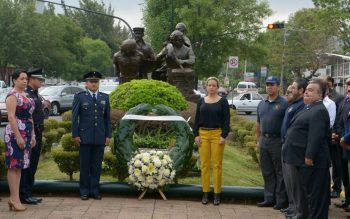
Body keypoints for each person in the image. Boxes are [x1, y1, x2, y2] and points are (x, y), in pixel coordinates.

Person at [284, 78, 331, 219]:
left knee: (315, 200)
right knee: (306, 197)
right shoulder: (309, 107)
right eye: (306, 90)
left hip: (312, 163)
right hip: (299, 159)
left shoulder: (319, 110)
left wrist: (309, 156)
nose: (306, 93)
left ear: (320, 95)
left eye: (311, 91)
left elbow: (316, 136)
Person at [72, 71, 112, 200]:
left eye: (96, 82)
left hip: (100, 136)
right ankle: (84, 191)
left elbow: (107, 119)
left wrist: (108, 135)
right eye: (91, 82)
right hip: (85, 136)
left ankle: (95, 190)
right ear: (86, 84)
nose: (94, 84)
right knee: (84, 165)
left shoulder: (104, 97)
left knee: (96, 165)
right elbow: (74, 118)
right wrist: (75, 135)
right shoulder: (80, 97)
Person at [193, 77, 230, 205]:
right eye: (209, 85)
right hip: (203, 134)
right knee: (204, 165)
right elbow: (196, 119)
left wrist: (223, 136)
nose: (212, 87)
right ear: (206, 87)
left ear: (218, 87)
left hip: (217, 135)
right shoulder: (201, 101)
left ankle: (217, 194)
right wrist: (196, 135)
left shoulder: (223, 102)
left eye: (214, 85)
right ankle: (205, 193)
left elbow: (226, 120)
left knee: (217, 165)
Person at [5, 70, 35, 211]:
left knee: (20, 167)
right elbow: (11, 117)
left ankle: (14, 199)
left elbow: (30, 117)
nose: (25, 81)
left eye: (26, 78)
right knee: (13, 165)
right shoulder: (12, 95)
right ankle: (14, 199)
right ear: (14, 80)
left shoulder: (27, 95)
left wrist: (33, 135)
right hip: (15, 134)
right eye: (21, 78)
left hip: (27, 133)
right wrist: (18, 136)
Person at [256, 76, 288, 210]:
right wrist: (258, 140)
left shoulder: (284, 103)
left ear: (278, 86)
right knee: (267, 171)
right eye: (267, 84)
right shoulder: (262, 103)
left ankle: (280, 200)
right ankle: (269, 198)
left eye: (272, 84)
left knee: (279, 172)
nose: (269, 87)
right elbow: (258, 123)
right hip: (264, 140)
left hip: (277, 141)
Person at [280, 78, 307, 218]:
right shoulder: (292, 104)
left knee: (296, 182)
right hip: (286, 145)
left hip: (293, 148)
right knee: (288, 180)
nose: (290, 89)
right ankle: (292, 207)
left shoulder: (301, 105)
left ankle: (299, 211)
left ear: (301, 91)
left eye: (294, 87)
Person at [19, 68, 45, 205]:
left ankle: (28, 192)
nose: (41, 81)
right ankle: (24, 194)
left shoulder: (35, 93)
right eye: (39, 79)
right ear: (32, 80)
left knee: (33, 164)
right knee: (27, 165)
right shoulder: (27, 94)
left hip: (37, 132)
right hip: (30, 133)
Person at [326, 76, 346, 199]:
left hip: (336, 136)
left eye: (327, 82)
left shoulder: (339, 98)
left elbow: (338, 118)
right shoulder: (323, 97)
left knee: (337, 163)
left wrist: (336, 133)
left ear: (331, 84)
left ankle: (337, 187)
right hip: (326, 135)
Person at [334, 77, 350, 211]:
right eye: (346, 84)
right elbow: (339, 120)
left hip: (348, 142)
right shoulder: (345, 101)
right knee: (345, 173)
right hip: (342, 143)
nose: (347, 86)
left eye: (349, 84)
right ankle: (348, 200)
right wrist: (337, 134)